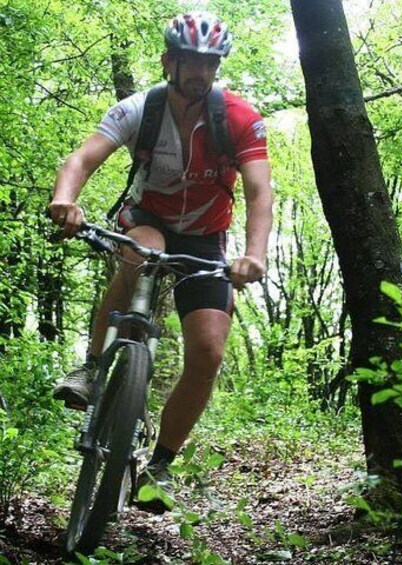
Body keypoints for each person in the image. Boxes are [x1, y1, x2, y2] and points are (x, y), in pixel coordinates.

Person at [48, 12, 273, 513]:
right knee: (139, 248)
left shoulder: (237, 117)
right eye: (190, 60)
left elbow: (260, 193)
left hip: (207, 240)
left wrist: (253, 255)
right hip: (149, 220)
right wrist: (66, 200)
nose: (199, 70)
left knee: (210, 352)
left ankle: (160, 468)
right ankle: (91, 369)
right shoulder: (141, 108)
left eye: (209, 63)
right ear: (169, 60)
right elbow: (82, 159)